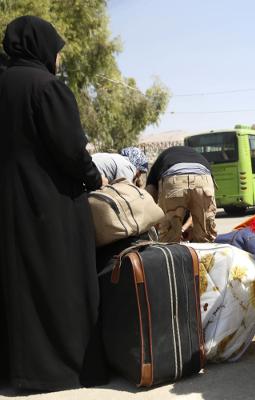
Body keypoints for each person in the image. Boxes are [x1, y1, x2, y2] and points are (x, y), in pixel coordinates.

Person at [0, 16, 108, 391]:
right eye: (57, 51)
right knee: (61, 284)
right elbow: (71, 150)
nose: (58, 58)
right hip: (49, 206)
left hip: (8, 206)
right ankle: (63, 370)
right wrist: (95, 179)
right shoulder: (45, 87)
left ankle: (17, 370)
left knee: (16, 287)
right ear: (41, 48)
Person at [145, 146, 217, 243]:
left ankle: (172, 254)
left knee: (169, 240)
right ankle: (205, 257)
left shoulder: (158, 164)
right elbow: (203, 206)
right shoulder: (197, 156)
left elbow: (149, 202)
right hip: (204, 177)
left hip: (173, 177)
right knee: (206, 236)